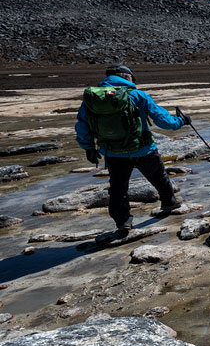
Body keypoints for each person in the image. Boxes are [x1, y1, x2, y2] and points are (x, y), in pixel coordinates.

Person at [75, 64, 188, 233]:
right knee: (159, 176)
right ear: (127, 78)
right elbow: (163, 120)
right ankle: (169, 203)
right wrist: (181, 121)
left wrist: (88, 148)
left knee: (118, 188)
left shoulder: (92, 99)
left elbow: (82, 126)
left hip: (112, 151)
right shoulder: (137, 95)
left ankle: (123, 223)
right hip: (143, 149)